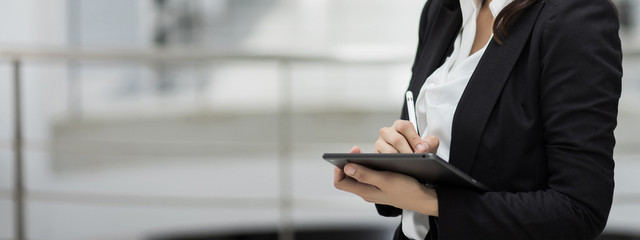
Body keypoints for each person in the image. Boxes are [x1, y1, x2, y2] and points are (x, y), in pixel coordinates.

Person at [332, 0, 622, 239]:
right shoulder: (444, 10)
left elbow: (579, 210)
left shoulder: (576, 17)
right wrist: (392, 162)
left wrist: (428, 201)